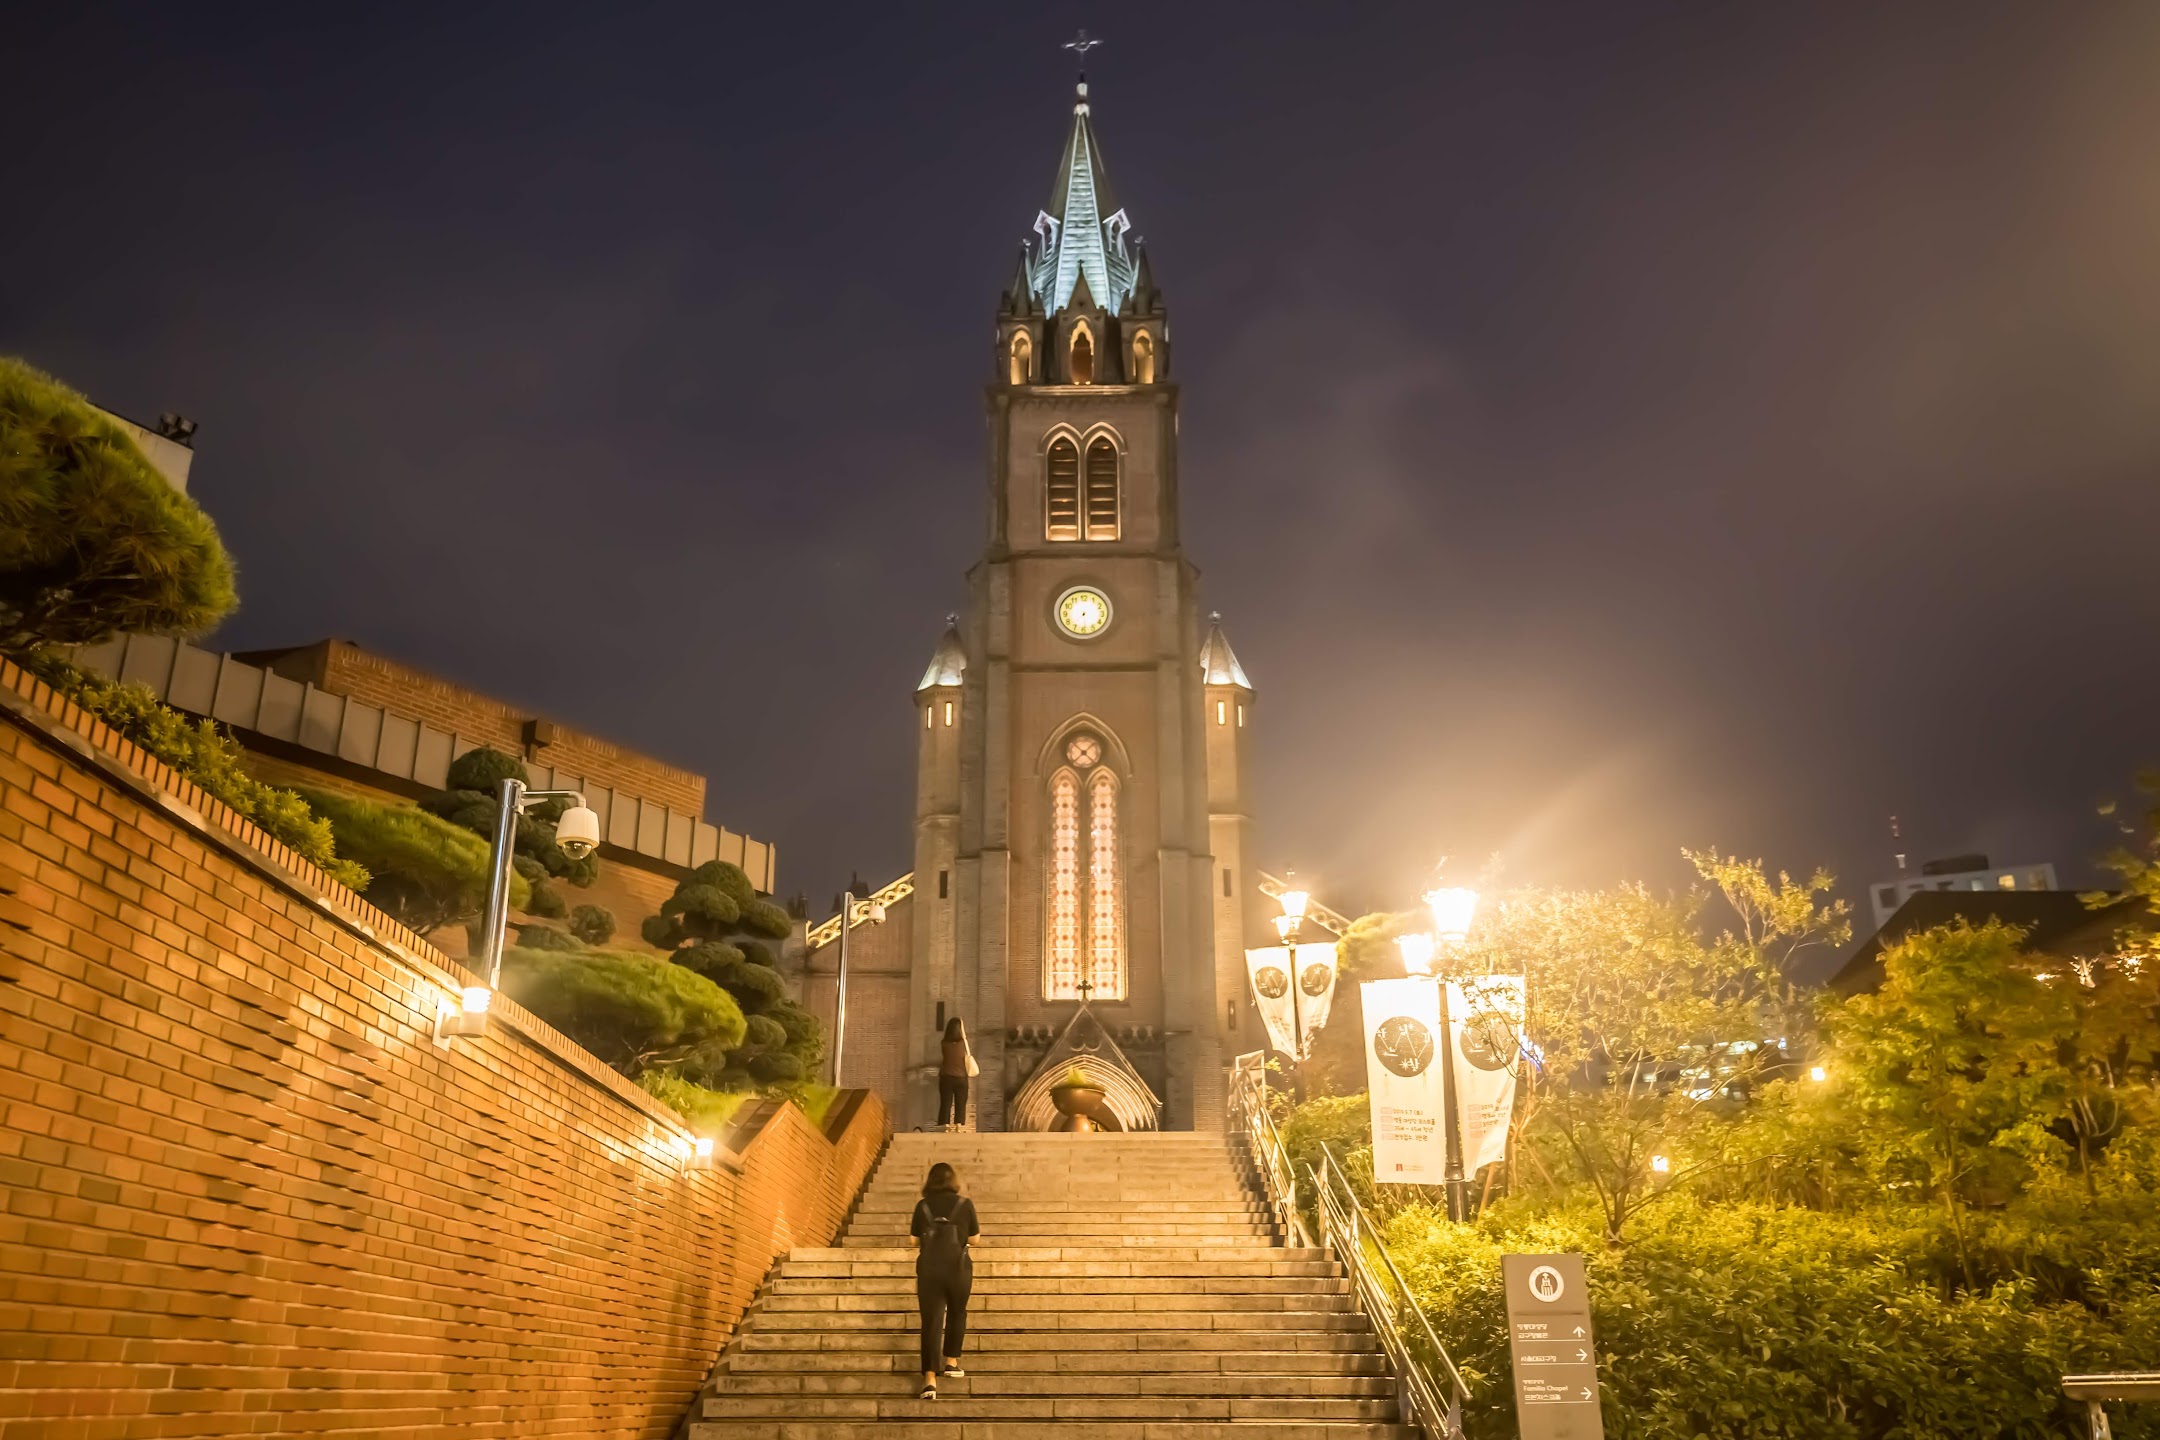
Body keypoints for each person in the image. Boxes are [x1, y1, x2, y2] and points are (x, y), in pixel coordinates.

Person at [911, 1161, 979, 1400]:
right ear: (953, 1181)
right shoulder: (964, 1204)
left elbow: (912, 1241)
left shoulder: (923, 1206)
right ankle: (951, 1361)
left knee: (931, 1321)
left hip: (929, 1269)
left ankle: (929, 1379)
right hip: (958, 1269)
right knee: (958, 1312)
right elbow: (975, 1237)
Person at [937, 1017, 977, 1130]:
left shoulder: (943, 1044)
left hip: (946, 1077)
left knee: (945, 1102)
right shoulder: (963, 1044)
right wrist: (962, 1030)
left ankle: (945, 1124)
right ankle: (959, 1124)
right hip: (961, 1078)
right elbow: (964, 1039)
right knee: (961, 1102)